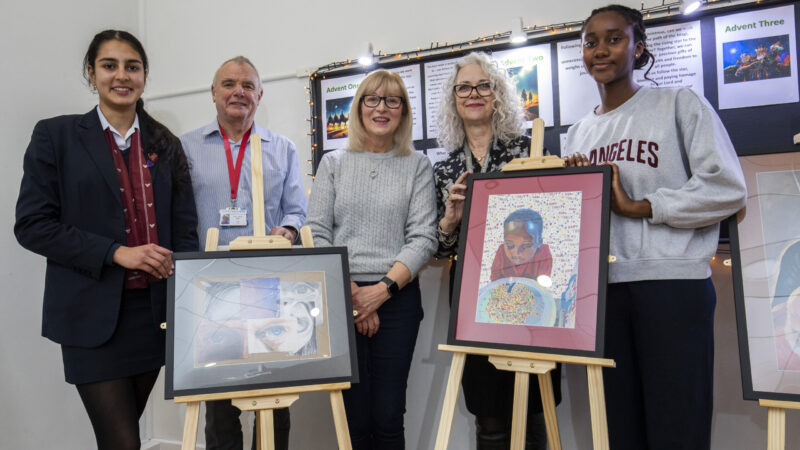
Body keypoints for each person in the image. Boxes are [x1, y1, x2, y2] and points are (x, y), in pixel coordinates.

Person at [564, 5, 746, 449]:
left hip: (671, 285)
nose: (600, 50)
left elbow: (728, 189)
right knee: (618, 428)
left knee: (676, 426)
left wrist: (642, 206)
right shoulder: (578, 133)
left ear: (638, 46)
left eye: (614, 38)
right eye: (591, 42)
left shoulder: (678, 103)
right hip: (604, 293)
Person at [14, 30, 198, 450]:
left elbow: (184, 229)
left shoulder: (165, 143)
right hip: (89, 315)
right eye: (109, 65)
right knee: (122, 442)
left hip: (155, 317)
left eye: (132, 67)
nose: (121, 75)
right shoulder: (55, 137)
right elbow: (32, 225)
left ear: (144, 76)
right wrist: (117, 253)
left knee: (121, 437)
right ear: (91, 73)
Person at [433, 51, 559, 450]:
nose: (473, 94)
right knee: (488, 410)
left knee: (534, 404)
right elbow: (440, 247)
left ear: (498, 94)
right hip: (474, 295)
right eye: (464, 87)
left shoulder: (532, 151)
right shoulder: (444, 168)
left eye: (483, 85)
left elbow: (554, 222)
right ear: (454, 99)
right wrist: (450, 220)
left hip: (534, 289)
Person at [305, 70, 437, 449]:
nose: (382, 107)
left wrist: (379, 292)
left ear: (404, 111)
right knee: (354, 418)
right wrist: (353, 295)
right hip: (341, 297)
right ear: (359, 107)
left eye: (392, 100)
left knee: (389, 415)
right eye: (372, 99)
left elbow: (424, 237)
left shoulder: (418, 166)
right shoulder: (333, 163)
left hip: (396, 299)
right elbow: (315, 232)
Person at [181, 55, 306, 450]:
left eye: (248, 85)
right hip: (210, 288)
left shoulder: (282, 149)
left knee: (274, 394)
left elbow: (297, 210)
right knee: (220, 401)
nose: (239, 91)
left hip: (268, 285)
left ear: (260, 95)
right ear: (213, 93)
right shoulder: (185, 148)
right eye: (230, 84)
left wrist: (287, 229)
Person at [490, 209, 552, 282]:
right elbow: (495, 281)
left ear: (539, 242)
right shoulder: (501, 251)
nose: (516, 253)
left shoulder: (544, 255)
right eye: (509, 245)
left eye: (526, 245)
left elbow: (541, 285)